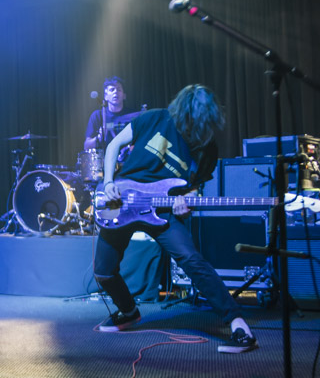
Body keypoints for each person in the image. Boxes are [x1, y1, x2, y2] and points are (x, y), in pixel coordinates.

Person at [95, 84, 257, 353]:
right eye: (192, 123)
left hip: (163, 208)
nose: (195, 131)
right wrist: (109, 180)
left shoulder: (206, 147)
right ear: (182, 112)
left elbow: (196, 186)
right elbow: (114, 144)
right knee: (103, 270)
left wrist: (187, 200)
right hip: (122, 197)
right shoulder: (156, 118)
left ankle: (238, 322)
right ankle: (128, 311)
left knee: (191, 260)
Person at [84, 76, 135, 151]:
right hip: (104, 161)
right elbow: (86, 146)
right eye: (112, 90)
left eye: (119, 89)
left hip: (128, 160)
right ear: (106, 96)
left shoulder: (133, 115)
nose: (115, 92)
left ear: (124, 96)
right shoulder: (98, 116)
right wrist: (99, 137)